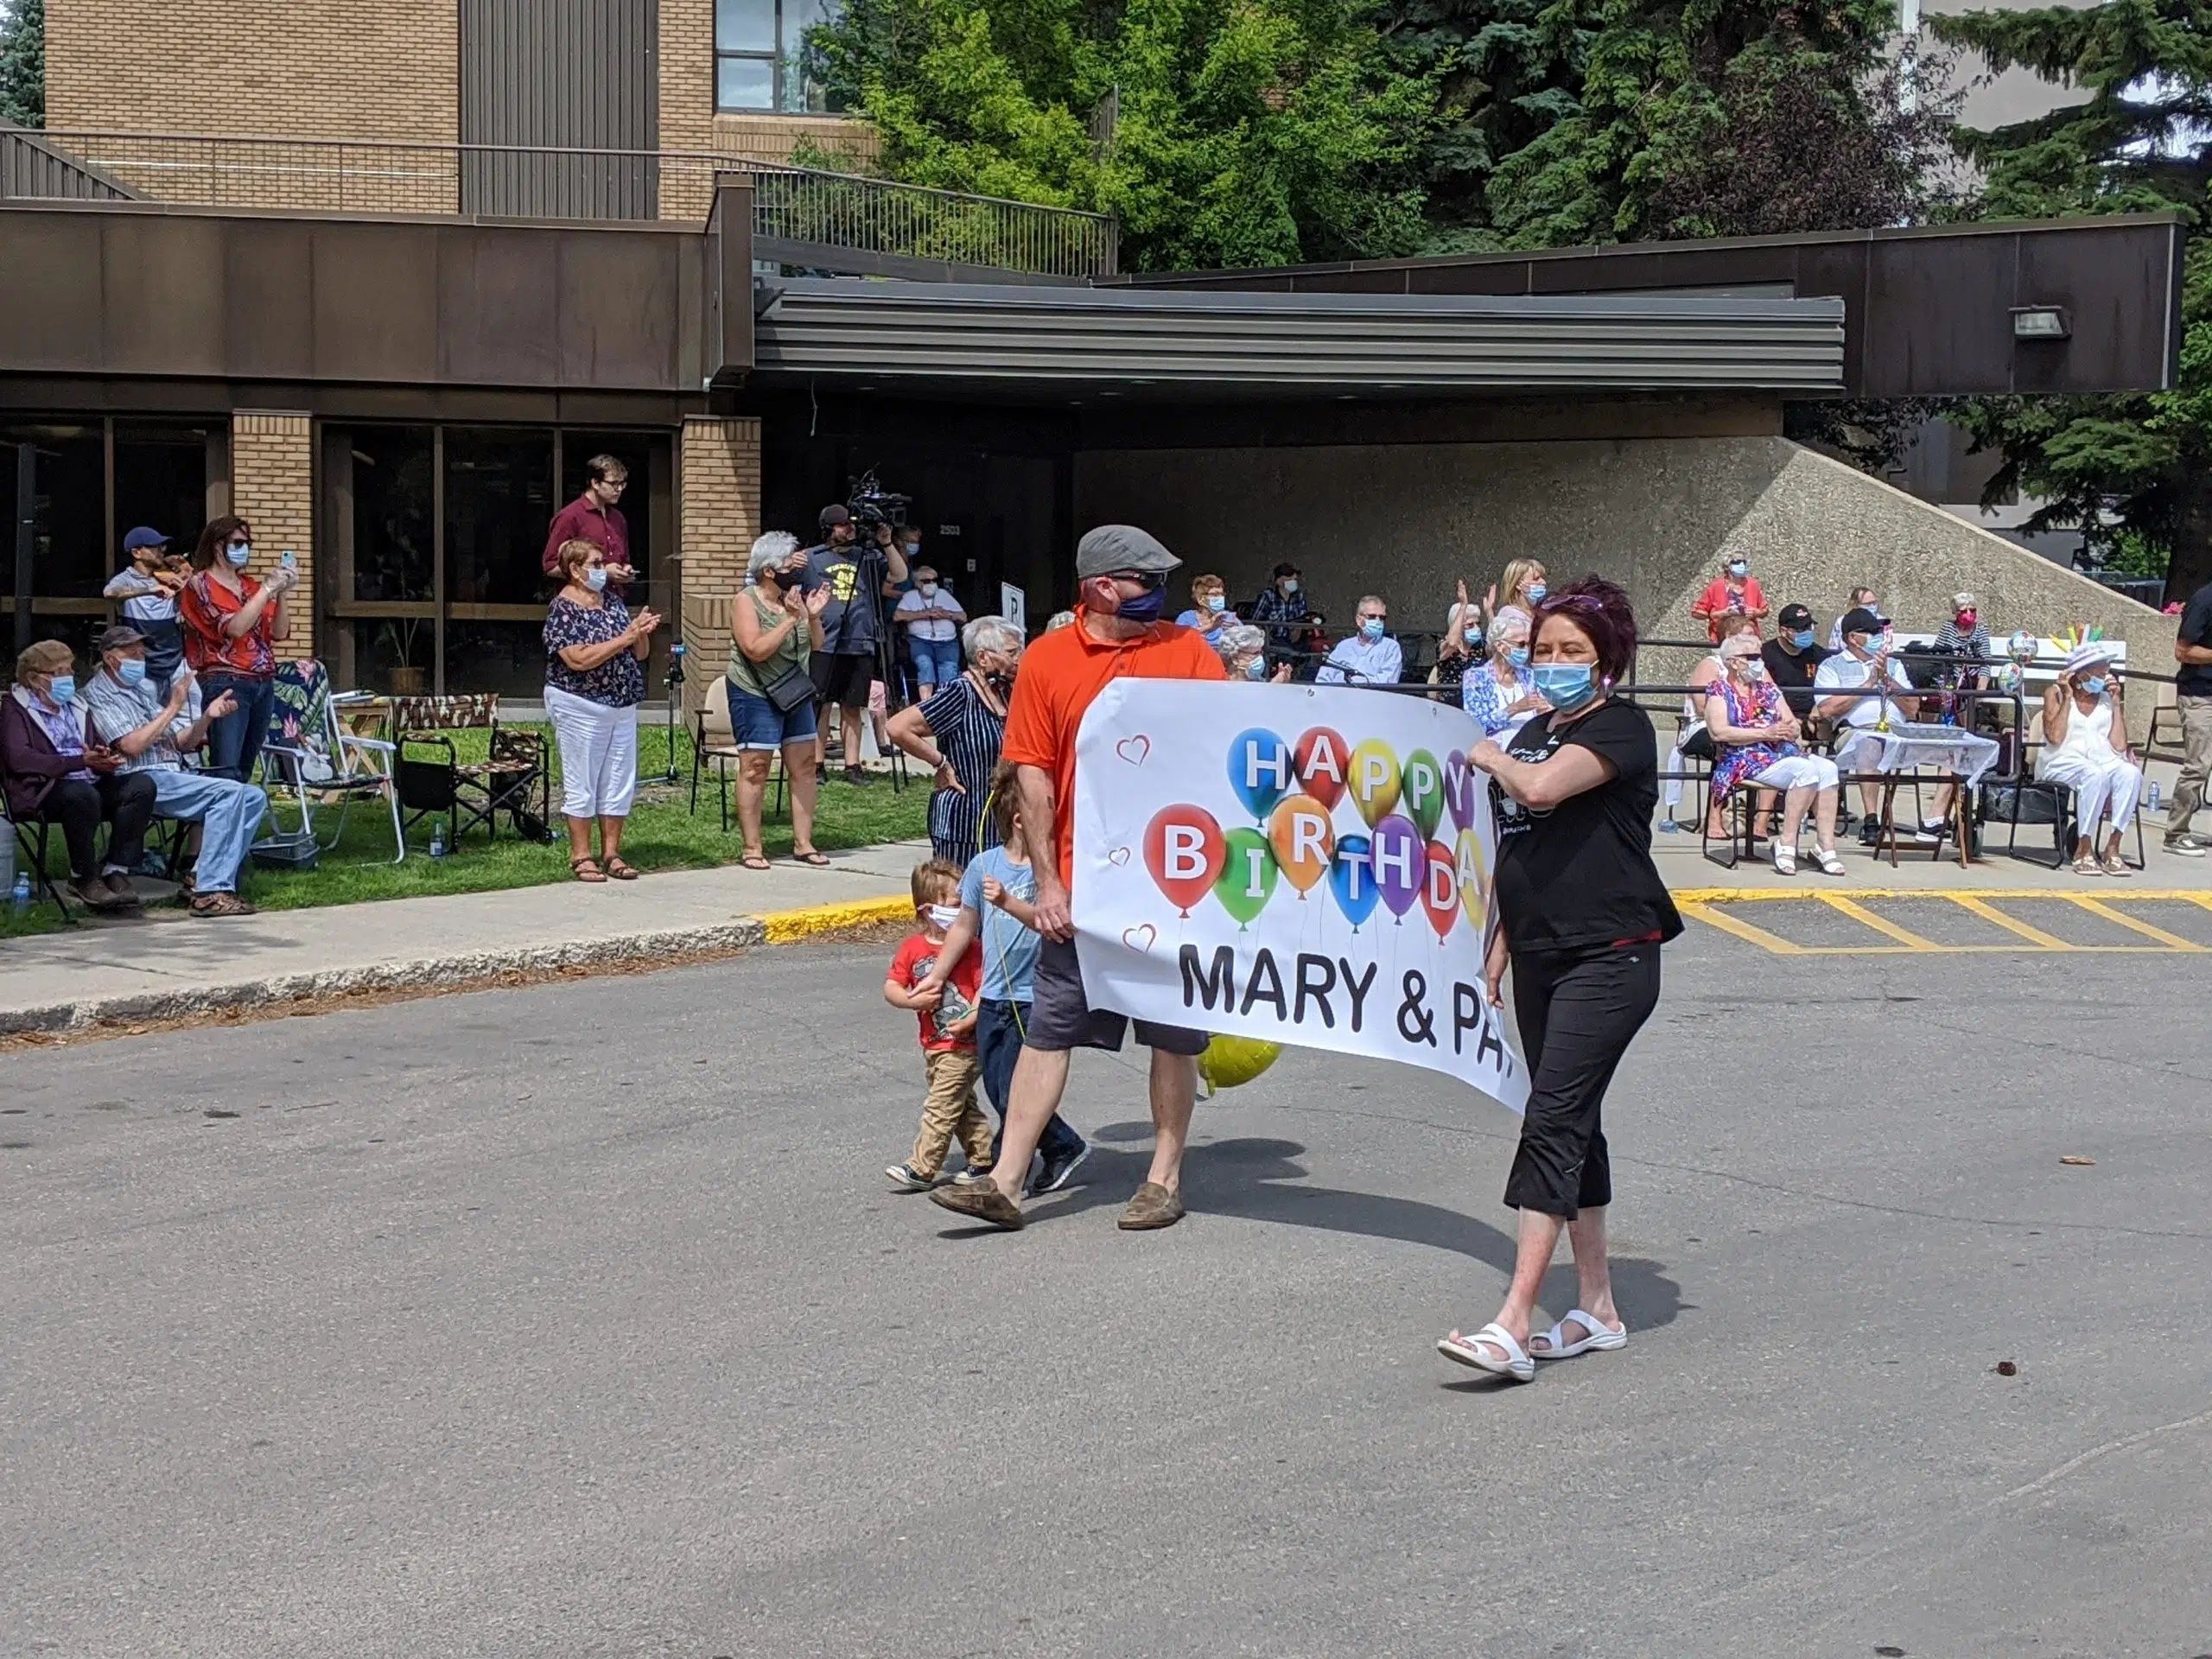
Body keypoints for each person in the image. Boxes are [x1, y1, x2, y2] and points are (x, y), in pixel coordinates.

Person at [929, 524, 1227, 1234]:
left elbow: (1228, 744)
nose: (1158, 590)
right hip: (1084, 883)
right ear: (1100, 586)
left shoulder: (1188, 652)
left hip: (1171, 881)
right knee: (1050, 1030)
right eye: (1143, 578)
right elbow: (1032, 771)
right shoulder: (1049, 660)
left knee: (1172, 1036)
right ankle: (1005, 1181)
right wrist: (1048, 880)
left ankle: (1162, 1178)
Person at [1441, 577, 1681, 1382]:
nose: (1554, 663)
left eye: (1572, 651)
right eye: (1543, 650)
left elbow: (1539, 791)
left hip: (1611, 953)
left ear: (1606, 658)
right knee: (1576, 1121)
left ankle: (1512, 1321)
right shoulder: (1537, 728)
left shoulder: (1619, 726)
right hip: (1541, 952)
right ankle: (1599, 1308)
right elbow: (1525, 844)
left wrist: (1489, 753)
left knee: (1550, 1117)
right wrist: (1502, 942)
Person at [917, 761, 1091, 1195]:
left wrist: (1010, 901)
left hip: (1035, 994)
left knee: (1015, 1086)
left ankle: (1037, 1153)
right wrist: (937, 976)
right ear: (1021, 820)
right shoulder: (983, 866)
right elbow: (963, 926)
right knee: (998, 1084)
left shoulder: (1051, 874)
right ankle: (1049, 1146)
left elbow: (1051, 923)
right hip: (994, 994)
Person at [79, 624, 267, 918]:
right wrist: (173, 707)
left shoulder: (138, 691)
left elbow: (183, 742)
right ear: (110, 658)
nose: (140, 660)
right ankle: (210, 890)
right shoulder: (98, 694)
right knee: (230, 794)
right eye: (132, 654)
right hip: (141, 779)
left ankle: (199, 877)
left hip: (172, 772)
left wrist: (206, 717)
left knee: (254, 795)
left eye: (142, 654)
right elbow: (131, 746)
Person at [1, 640, 156, 912]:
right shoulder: (15, 709)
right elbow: (19, 759)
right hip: (43, 790)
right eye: (58, 672)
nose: (67, 678)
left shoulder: (77, 705)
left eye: (69, 671)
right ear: (34, 679)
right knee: (81, 795)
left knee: (140, 786)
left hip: (88, 782)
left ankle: (116, 869)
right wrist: (76, 762)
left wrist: (102, 757)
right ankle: (83, 876)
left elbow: (92, 745)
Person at [543, 537, 660, 882]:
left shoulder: (611, 602)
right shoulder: (563, 609)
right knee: (583, 781)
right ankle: (581, 855)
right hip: (580, 704)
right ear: (575, 570)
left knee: (619, 781)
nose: (601, 569)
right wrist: (625, 638)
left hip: (622, 703)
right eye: (595, 564)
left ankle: (612, 853)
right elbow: (577, 659)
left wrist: (639, 632)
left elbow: (639, 654)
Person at [882, 858, 995, 1192]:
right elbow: (892, 985)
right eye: (955, 905)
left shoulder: (972, 949)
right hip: (933, 1042)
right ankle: (983, 1156)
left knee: (940, 1106)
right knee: (959, 1106)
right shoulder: (912, 949)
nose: (962, 911)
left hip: (963, 1045)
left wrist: (973, 1016)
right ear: (929, 910)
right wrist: (910, 1001)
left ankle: (922, 1167)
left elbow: (983, 988)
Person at [727, 531, 830, 871]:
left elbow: (816, 645)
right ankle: (752, 847)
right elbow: (755, 650)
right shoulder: (747, 600)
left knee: (804, 766)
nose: (795, 568)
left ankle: (803, 842)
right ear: (769, 570)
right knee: (756, 768)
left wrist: (811, 616)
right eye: (789, 563)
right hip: (755, 693)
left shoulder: (794, 600)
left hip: (794, 691)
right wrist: (790, 619)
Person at [886, 615, 1024, 868]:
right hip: (963, 824)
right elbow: (897, 727)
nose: (1019, 660)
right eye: (1012, 653)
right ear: (983, 657)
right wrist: (940, 762)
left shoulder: (1005, 692)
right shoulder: (960, 692)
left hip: (998, 821)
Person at [1705, 633, 1847, 875]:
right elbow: (1719, 732)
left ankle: (1825, 845)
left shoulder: (1768, 690)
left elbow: (1790, 720)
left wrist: (1790, 729)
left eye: (1759, 657)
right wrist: (1765, 732)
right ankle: (1787, 841)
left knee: (1828, 768)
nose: (1758, 662)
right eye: (1752, 657)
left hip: (1780, 751)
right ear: (1733, 661)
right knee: (1806, 770)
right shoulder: (1719, 690)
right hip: (1744, 757)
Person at [178, 515, 296, 785]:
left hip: (262, 681)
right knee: (226, 768)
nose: (245, 549)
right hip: (226, 680)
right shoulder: (201, 584)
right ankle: (215, 825)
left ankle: (236, 825)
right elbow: (233, 628)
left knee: (244, 769)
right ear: (218, 545)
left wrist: (282, 593)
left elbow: (278, 633)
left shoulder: (250, 586)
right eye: (239, 542)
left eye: (248, 543)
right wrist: (266, 589)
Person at [802, 504, 908, 786]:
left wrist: (886, 543)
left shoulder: (867, 557)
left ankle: (853, 766)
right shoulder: (812, 559)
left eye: (850, 525)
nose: (848, 529)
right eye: (841, 525)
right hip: (824, 642)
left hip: (860, 641)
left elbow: (900, 576)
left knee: (853, 706)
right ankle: (816, 764)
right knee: (821, 705)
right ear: (828, 530)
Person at [1814, 605, 1921, 845]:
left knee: (1949, 746)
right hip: (1854, 732)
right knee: (1870, 744)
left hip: (1896, 730)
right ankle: (1872, 819)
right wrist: (1869, 684)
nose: (1878, 637)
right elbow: (1827, 709)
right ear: (1853, 638)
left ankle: (1937, 824)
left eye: (1879, 632)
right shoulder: (1832, 666)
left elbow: (1913, 708)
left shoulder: (1893, 665)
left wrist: (1887, 680)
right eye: (1871, 632)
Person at [2037, 641, 2143, 877]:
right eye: (2100, 673)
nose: (2105, 678)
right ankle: (2083, 848)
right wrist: (2067, 697)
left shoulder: (2106, 698)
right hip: (2063, 760)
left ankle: (2113, 847)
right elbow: (2054, 737)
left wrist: (2116, 703)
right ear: (2081, 673)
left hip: (2101, 759)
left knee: (2131, 774)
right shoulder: (2055, 693)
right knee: (2095, 775)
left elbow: (2119, 746)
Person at [1919, 591, 1993, 836]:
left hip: (1970, 683)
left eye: (1973, 609)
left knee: (1965, 735)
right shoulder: (1948, 629)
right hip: (1951, 682)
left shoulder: (1980, 631)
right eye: (1964, 611)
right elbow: (1940, 659)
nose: (1969, 615)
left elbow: (1985, 662)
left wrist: (1980, 692)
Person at [103, 526, 188, 695]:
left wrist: (186, 574)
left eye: (162, 546)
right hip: (143, 666)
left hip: (175, 662)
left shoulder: (170, 577)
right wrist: (149, 590)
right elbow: (109, 593)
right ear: (137, 553)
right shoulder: (125, 579)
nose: (162, 551)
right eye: (155, 546)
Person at [2164, 575, 2212, 856]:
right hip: (2199, 696)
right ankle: (2176, 833)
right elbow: (2182, 651)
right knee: (2199, 766)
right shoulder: (2204, 600)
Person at [540, 453, 635, 588]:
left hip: (615, 600)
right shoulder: (570, 516)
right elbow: (551, 567)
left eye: (622, 484)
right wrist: (602, 573)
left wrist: (625, 570)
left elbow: (623, 559)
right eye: (614, 484)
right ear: (595, 483)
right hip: (581, 601)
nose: (619, 489)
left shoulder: (618, 518)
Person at [1461, 611, 1547, 738]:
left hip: (1530, 746)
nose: (1526, 649)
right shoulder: (1475, 678)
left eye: (1529, 644)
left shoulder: (1530, 676)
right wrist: (1515, 708)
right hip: (1495, 750)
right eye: (1521, 644)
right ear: (1500, 645)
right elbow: (1475, 726)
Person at [893, 562, 966, 699]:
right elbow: (898, 616)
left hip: (947, 641)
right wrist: (924, 614)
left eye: (934, 580)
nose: (931, 583)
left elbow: (963, 617)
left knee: (949, 669)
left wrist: (947, 614)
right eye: (927, 581)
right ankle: (927, 705)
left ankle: (946, 705)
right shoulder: (910, 596)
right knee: (925, 666)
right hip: (920, 641)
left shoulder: (943, 594)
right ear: (917, 583)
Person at [1761, 602, 1835, 728]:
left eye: (1809, 627)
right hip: (1779, 717)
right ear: (1784, 631)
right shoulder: (1765, 654)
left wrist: (1818, 709)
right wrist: (1788, 717)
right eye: (1801, 629)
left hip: (1814, 715)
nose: (1807, 632)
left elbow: (1831, 687)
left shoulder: (1819, 654)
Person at [1249, 562, 1321, 673]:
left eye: (1295, 579)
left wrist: (1301, 627)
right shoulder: (1268, 596)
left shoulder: (1299, 595)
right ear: (1279, 581)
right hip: (1273, 639)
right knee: (1286, 655)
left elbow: (1302, 618)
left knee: (1313, 653)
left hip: (1294, 639)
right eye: (1290, 579)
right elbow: (1254, 622)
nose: (1294, 582)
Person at [1316, 594, 1402, 685]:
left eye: (1382, 618)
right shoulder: (1344, 646)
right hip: (1336, 696)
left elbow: (1386, 683)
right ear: (1359, 620)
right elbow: (1323, 679)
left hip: (1370, 697)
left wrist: (1354, 683)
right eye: (1372, 617)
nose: (1378, 621)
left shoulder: (1391, 648)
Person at [1691, 554, 1768, 642]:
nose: (1741, 565)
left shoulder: (1753, 584)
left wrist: (1756, 613)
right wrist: (1719, 614)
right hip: (1722, 639)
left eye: (1744, 562)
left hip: (1750, 638)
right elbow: (1696, 612)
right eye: (1737, 562)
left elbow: (1764, 611)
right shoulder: (1716, 586)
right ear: (1728, 566)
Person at [1174, 573, 1238, 648]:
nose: (1220, 598)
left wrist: (1237, 631)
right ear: (1200, 599)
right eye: (1215, 595)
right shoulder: (1186, 618)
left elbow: (1248, 642)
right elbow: (1180, 640)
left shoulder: (1228, 617)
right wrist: (1210, 627)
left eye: (1222, 594)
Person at [1488, 559, 1548, 634]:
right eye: (1536, 579)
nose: (1543, 582)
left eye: (1543, 578)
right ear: (1518, 584)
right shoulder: (1510, 616)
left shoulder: (1539, 612)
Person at [1216, 621, 1291, 683]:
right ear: (1235, 658)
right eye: (1255, 653)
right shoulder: (1219, 682)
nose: (1260, 657)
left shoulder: (1259, 681)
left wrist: (1277, 685)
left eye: (1260, 652)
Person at [1827, 587, 1878, 652]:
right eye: (1868, 604)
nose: (1873, 606)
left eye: (1874, 603)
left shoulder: (1883, 622)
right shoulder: (1841, 621)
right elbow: (1833, 648)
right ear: (1856, 604)